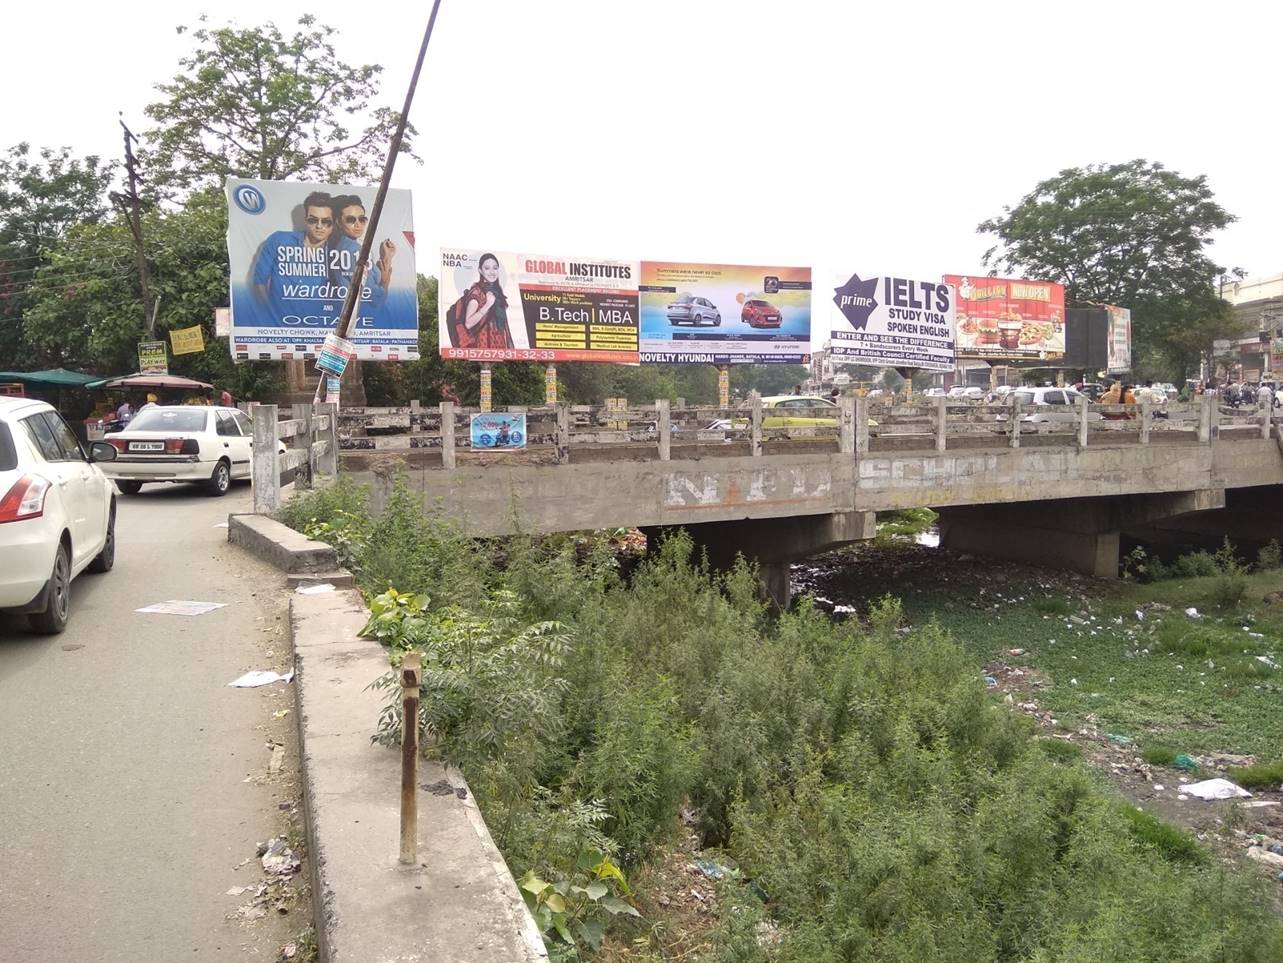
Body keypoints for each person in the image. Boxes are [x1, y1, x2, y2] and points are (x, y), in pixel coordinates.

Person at [251, 191, 336, 321]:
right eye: (313, 220)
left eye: (326, 221)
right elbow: (259, 281)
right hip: (279, 327)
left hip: (320, 328)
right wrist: (270, 315)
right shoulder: (279, 241)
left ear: (333, 224)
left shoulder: (338, 253)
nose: (319, 226)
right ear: (305, 220)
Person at [328, 195, 395, 299]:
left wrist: (386, 257)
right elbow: (374, 298)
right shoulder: (352, 250)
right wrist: (385, 281)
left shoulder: (349, 247)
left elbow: (368, 281)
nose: (358, 225)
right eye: (351, 220)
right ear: (338, 222)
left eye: (362, 219)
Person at [450, 253, 514, 350]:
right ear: (480, 270)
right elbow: (468, 323)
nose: (492, 272)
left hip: (499, 345)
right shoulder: (477, 292)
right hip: (483, 344)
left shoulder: (497, 291)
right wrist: (487, 305)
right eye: (487, 268)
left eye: (495, 268)